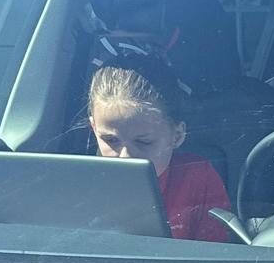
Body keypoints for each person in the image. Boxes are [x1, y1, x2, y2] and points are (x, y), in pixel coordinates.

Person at [87, 56, 233, 242]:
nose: (125, 157)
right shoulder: (79, 182)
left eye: (144, 142)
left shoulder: (197, 177)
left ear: (177, 135)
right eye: (110, 140)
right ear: (94, 128)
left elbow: (215, 257)